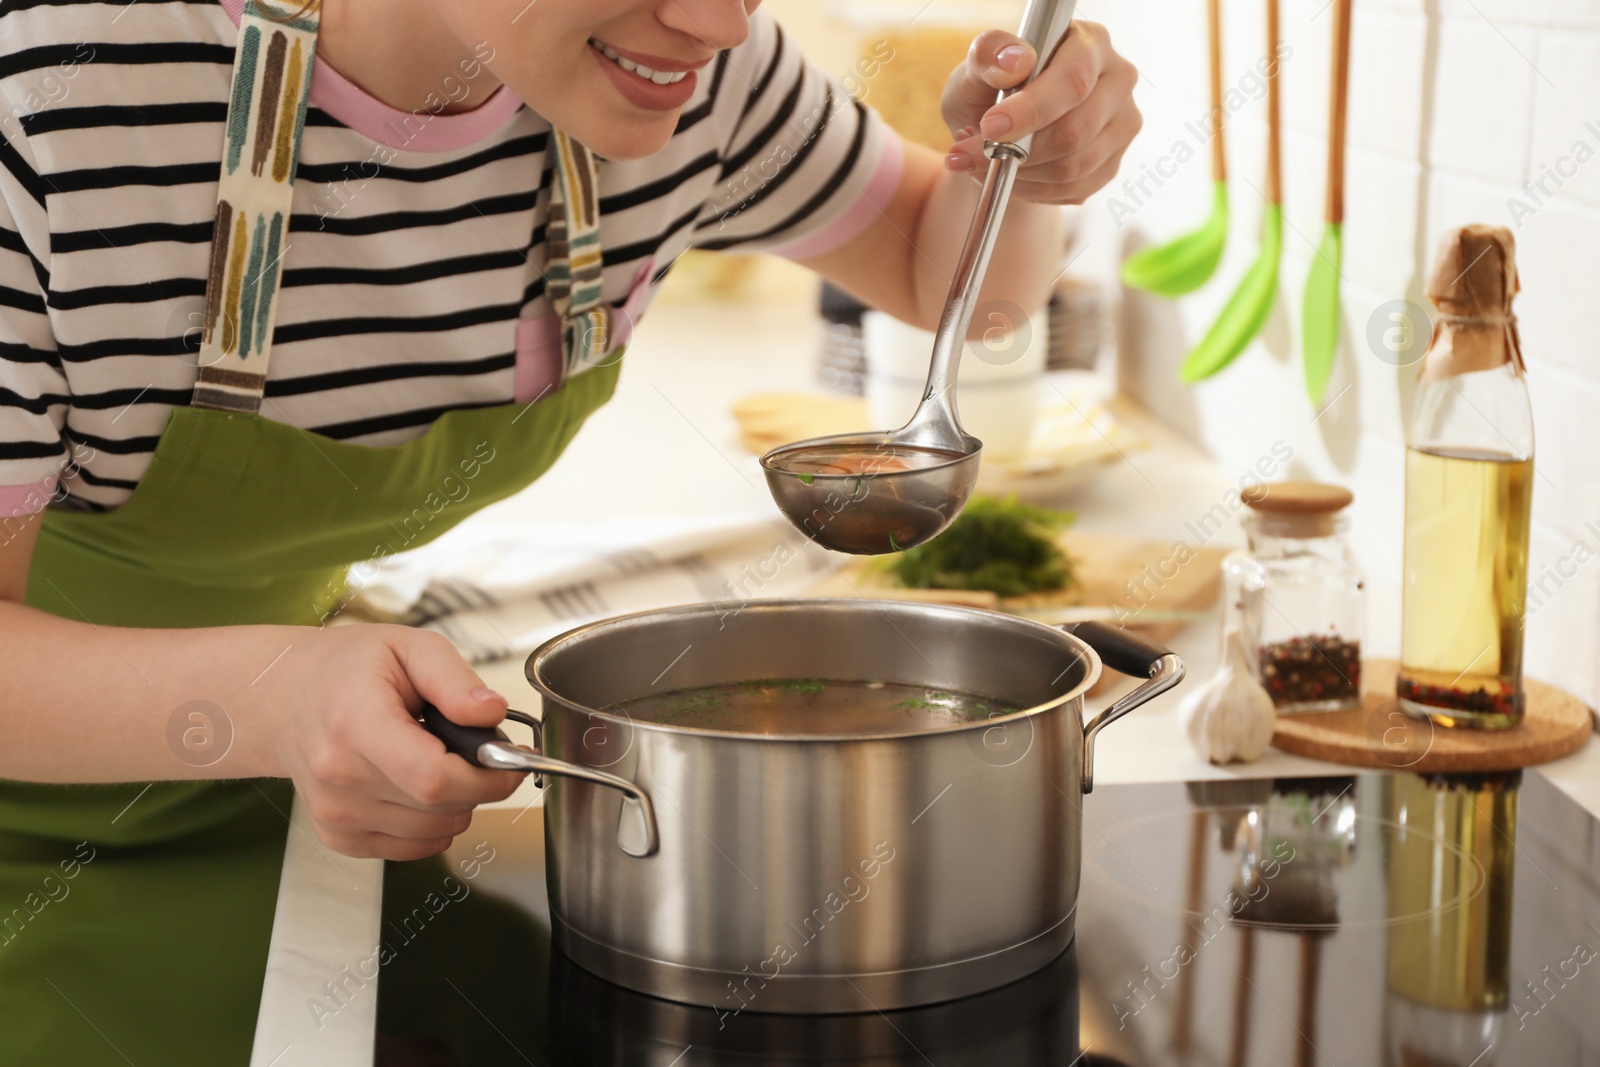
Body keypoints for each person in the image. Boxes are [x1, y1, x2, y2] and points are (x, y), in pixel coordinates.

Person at [0, 0, 1140, 1061]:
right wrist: (281, 694)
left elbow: (951, 289)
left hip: (316, 796)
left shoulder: (693, 78)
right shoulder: (56, 109)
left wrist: (1020, 175)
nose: (719, 21)